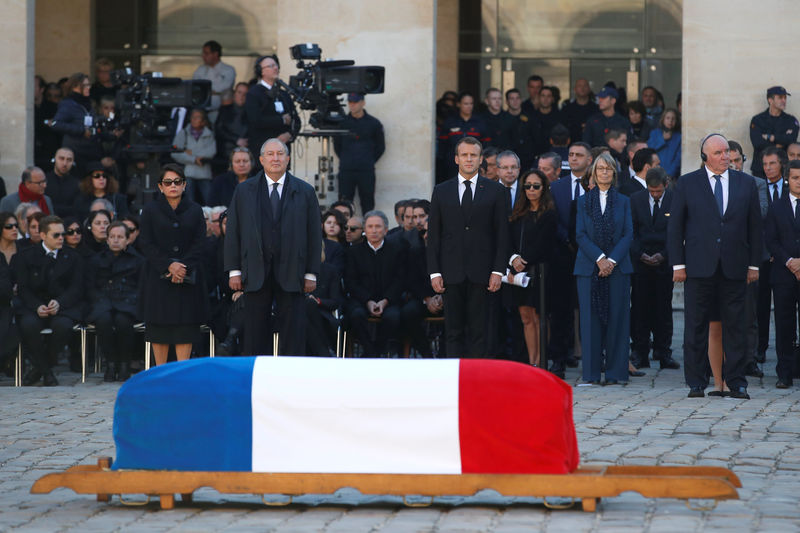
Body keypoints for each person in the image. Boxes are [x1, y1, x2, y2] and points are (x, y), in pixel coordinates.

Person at [668, 134, 762, 399]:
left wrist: (754, 264)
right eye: (720, 153)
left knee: (736, 326)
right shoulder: (687, 183)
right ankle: (697, 382)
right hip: (698, 267)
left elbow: (755, 227)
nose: (726, 157)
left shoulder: (745, 183)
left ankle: (736, 382)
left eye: (728, 153)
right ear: (706, 156)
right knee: (695, 326)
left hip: (735, 266)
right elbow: (675, 228)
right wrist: (678, 264)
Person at [225, 138, 322, 356]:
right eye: (270, 154)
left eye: (280, 154)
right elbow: (234, 232)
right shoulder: (244, 191)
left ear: (288, 158)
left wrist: (311, 273)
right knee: (254, 333)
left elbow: (314, 234)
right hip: (255, 270)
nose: (275, 158)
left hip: (293, 271)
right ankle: (257, 377)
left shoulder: (305, 191)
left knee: (293, 332)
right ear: (260, 159)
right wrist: (234, 270)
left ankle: (290, 380)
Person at [428, 136, 509, 357]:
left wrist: (497, 270)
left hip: (483, 273)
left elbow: (502, 235)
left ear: (481, 159)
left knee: (480, 331)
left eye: (473, 155)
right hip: (450, 272)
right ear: (456, 158)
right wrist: (434, 272)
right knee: (453, 331)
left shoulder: (495, 191)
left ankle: (477, 381)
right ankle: (455, 380)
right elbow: (434, 235)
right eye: (464, 155)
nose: (469, 159)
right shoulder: (441, 191)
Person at [139, 164, 209, 365]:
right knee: (159, 329)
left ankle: (182, 374)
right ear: (160, 186)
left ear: (184, 185)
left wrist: (182, 267)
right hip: (158, 277)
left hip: (187, 277)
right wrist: (168, 265)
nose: (173, 186)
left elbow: (200, 242)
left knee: (185, 329)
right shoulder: (150, 210)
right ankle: (161, 374)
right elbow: (145, 242)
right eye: (168, 182)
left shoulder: (195, 210)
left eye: (177, 182)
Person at [574, 152, 634, 384]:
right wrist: (600, 259)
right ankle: (590, 374)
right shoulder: (582, 202)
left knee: (618, 319)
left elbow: (628, 234)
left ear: (614, 173)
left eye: (608, 168)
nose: (604, 172)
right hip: (589, 268)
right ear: (593, 172)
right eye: (600, 168)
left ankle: (616, 373)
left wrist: (611, 261)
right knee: (589, 322)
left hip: (618, 268)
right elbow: (580, 234)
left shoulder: (624, 201)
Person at [13, 215, 83, 386]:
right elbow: (23, 288)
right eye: (56, 235)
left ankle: (41, 369)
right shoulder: (25, 256)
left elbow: (77, 287)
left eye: (62, 234)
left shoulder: (72, 256)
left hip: (62, 307)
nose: (61, 238)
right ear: (43, 235)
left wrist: (60, 302)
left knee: (63, 326)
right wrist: (37, 306)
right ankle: (46, 372)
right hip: (34, 306)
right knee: (28, 325)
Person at [629, 167, 679, 370]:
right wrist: (640, 254)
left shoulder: (675, 199)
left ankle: (663, 351)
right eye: (652, 191)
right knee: (640, 309)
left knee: (664, 310)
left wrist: (664, 255)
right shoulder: (635, 199)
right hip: (640, 263)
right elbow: (630, 231)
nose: (655, 194)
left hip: (663, 263)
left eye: (658, 191)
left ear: (665, 185)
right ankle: (640, 352)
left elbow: (676, 231)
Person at [508, 169, 557, 367]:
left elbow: (543, 244)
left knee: (539, 316)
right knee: (525, 316)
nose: (531, 190)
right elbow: (509, 240)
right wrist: (514, 259)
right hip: (518, 272)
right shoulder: (518, 213)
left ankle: (540, 361)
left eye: (536, 186)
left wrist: (523, 260)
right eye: (527, 186)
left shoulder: (549, 214)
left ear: (543, 188)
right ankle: (531, 361)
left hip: (540, 272)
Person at [86, 221, 144, 381]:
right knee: (103, 321)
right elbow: (90, 286)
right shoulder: (96, 260)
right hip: (103, 302)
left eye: (120, 237)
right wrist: (100, 300)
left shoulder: (138, 261)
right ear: (107, 239)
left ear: (128, 239)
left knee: (122, 321)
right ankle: (111, 364)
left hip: (128, 302)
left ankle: (125, 364)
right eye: (112, 237)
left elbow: (141, 287)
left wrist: (130, 300)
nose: (116, 240)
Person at [345, 210, 407, 356]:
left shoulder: (397, 250)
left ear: (386, 230)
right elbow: (350, 281)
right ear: (364, 230)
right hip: (362, 300)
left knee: (393, 318)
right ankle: (371, 352)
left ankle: (375, 352)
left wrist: (385, 301)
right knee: (355, 315)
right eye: (370, 226)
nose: (374, 230)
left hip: (389, 300)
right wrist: (367, 301)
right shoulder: (353, 252)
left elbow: (400, 280)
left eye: (378, 226)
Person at [764, 159, 800, 388]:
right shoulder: (777, 206)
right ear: (788, 179)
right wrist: (790, 262)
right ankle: (784, 372)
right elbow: (771, 240)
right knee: (784, 323)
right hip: (784, 274)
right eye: (796, 178)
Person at [333, 93, 385, 213]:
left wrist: (369, 160)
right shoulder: (342, 123)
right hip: (346, 170)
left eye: (355, 102)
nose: (352, 105)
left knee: (368, 203)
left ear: (363, 102)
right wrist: (347, 159)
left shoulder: (374, 123)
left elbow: (380, 147)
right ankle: (345, 230)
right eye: (350, 102)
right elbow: (337, 146)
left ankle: (367, 230)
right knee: (344, 203)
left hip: (366, 170)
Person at [245, 55, 298, 162]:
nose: (275, 68)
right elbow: (255, 120)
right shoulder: (254, 93)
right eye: (270, 66)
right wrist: (281, 120)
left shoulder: (283, 93)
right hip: (262, 150)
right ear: (261, 71)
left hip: (283, 152)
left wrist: (289, 134)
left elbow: (296, 119)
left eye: (276, 65)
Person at [50, 73, 103, 176]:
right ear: (75, 87)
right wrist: (81, 131)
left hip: (91, 151)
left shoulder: (89, 104)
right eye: (85, 85)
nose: (88, 88)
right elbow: (56, 124)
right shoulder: (68, 104)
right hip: (76, 151)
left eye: (89, 85)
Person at [438, 92, 489, 182]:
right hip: (452, 166)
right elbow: (443, 146)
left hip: (474, 166)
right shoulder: (450, 122)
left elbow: (486, 145)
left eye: (471, 104)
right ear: (458, 104)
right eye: (466, 104)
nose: (469, 106)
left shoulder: (480, 122)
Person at [749, 86, 799, 178]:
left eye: (785, 98)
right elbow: (757, 143)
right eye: (780, 98)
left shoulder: (790, 120)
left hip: (783, 170)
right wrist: (779, 145)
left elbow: (791, 141)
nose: (783, 100)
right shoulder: (758, 120)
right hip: (760, 170)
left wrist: (772, 137)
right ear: (770, 100)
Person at [171, 108, 217, 205]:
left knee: (210, 200)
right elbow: (175, 152)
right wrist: (194, 159)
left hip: (204, 173)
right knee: (189, 201)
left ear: (203, 120)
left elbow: (212, 151)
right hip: (188, 172)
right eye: (193, 117)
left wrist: (189, 152)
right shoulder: (183, 133)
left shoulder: (209, 134)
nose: (194, 120)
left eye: (197, 117)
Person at [305, 242, 344, 357]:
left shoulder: (330, 271)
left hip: (321, 315)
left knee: (309, 304)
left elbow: (335, 302)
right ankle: (323, 352)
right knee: (305, 306)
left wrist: (318, 301)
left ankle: (320, 352)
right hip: (295, 314)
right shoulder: (292, 271)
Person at [192, 40, 236, 124]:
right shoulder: (200, 70)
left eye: (206, 53)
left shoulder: (228, 70)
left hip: (219, 112)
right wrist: (212, 91)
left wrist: (206, 89)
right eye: (203, 53)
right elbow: (195, 88)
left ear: (215, 54)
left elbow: (225, 88)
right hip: (201, 113)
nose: (203, 56)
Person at [505, 88, 538, 172]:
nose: (515, 101)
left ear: (521, 100)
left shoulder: (530, 118)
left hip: (527, 161)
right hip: (507, 161)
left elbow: (536, 138)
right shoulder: (502, 119)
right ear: (507, 101)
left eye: (517, 98)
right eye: (512, 99)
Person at [561, 78, 598, 148]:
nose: (582, 88)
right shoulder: (567, 109)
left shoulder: (596, 109)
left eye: (585, 86)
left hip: (592, 148)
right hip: (571, 147)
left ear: (589, 89)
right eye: (579, 86)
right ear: (575, 89)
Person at [215, 82, 249, 157]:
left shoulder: (251, 112)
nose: (242, 96)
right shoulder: (225, 110)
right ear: (234, 94)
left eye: (245, 94)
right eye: (239, 92)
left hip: (245, 152)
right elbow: (219, 130)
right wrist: (236, 140)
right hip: (226, 153)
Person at [647, 108, 682, 179]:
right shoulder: (655, 133)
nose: (670, 121)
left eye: (673, 119)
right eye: (668, 118)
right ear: (663, 119)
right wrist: (662, 140)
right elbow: (649, 149)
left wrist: (670, 174)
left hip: (671, 175)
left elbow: (678, 159)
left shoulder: (679, 137)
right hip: (654, 172)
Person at [45, 148, 80, 217]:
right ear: (54, 159)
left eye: (69, 160)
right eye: (61, 158)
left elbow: (77, 209)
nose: (65, 163)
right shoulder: (44, 181)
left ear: (73, 162)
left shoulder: (77, 184)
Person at [531, 86, 563, 155]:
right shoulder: (532, 117)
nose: (545, 99)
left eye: (548, 96)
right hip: (535, 155)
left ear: (552, 99)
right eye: (543, 96)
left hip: (555, 154)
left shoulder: (560, 117)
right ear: (539, 98)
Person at [321, 208, 346, 275]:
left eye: (336, 223)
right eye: (329, 223)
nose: (332, 226)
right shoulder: (318, 244)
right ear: (323, 225)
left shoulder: (346, 245)